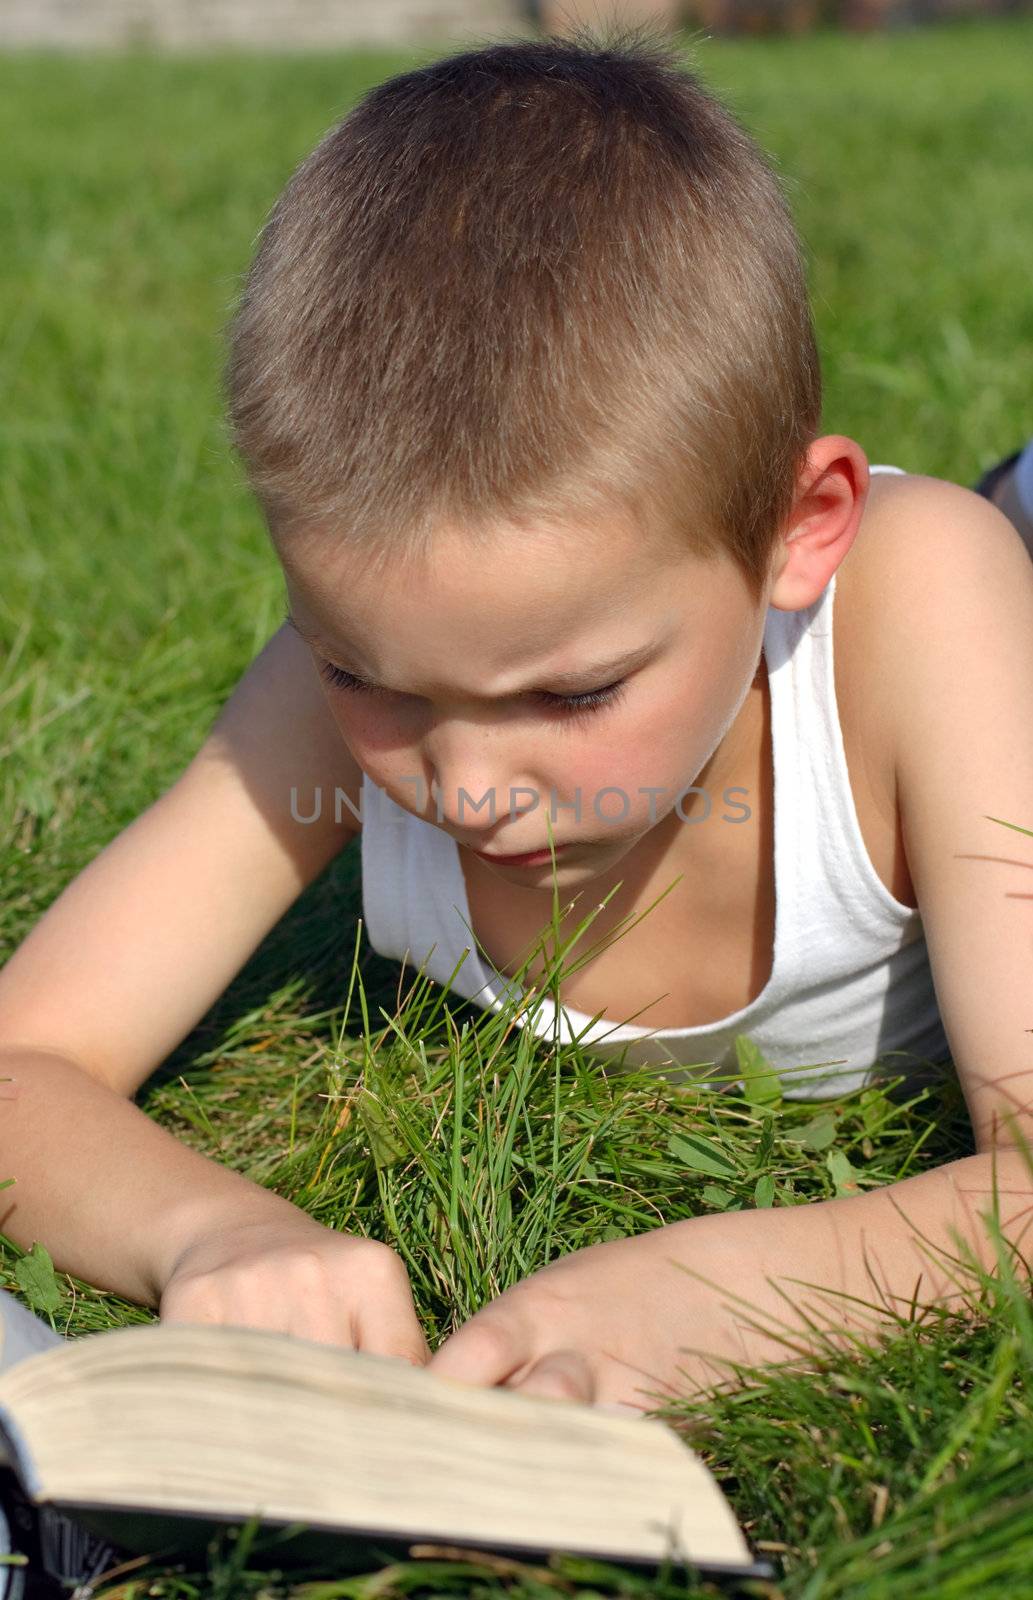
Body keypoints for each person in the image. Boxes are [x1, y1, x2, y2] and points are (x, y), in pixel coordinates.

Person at [1, 27, 1031, 1410]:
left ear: (800, 531)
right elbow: (25, 1057)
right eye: (368, 677)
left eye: (572, 693)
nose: (470, 787)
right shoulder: (385, 644)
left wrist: (753, 1291)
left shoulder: (915, 602)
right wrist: (212, 1233)